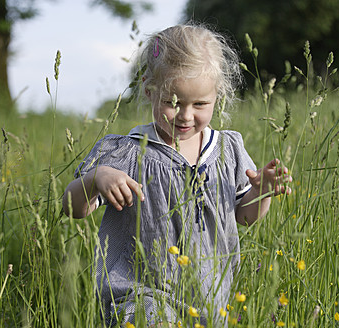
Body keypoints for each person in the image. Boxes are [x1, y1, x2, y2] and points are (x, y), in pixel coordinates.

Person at [63, 23, 292, 327]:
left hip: (209, 300)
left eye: (199, 104)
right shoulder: (127, 153)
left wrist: (262, 191)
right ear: (149, 90)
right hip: (141, 296)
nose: (185, 115)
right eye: (173, 103)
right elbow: (71, 208)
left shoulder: (227, 150)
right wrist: (95, 178)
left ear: (217, 96)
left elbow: (245, 217)